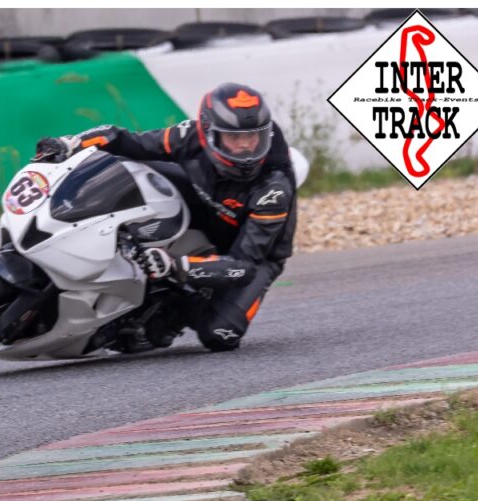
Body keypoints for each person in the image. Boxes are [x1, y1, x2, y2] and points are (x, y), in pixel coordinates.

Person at [34, 82, 297, 352]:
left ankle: (167, 316)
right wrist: (70, 144)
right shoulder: (190, 135)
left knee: (220, 334)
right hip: (205, 205)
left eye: (252, 138)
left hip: (255, 254)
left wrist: (176, 267)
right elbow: (127, 140)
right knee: (130, 165)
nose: (245, 149)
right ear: (209, 134)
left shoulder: (273, 189)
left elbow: (244, 265)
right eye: (234, 138)